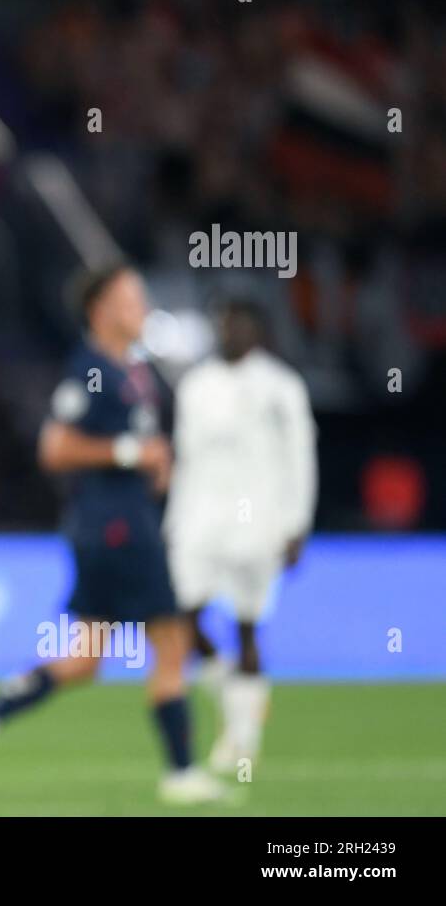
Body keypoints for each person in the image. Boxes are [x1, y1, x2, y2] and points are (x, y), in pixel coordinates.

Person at [0, 264, 227, 805]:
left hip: (120, 523)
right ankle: (181, 773)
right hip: (115, 528)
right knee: (171, 641)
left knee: (86, 658)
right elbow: (54, 448)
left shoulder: (130, 372)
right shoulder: (89, 370)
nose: (141, 308)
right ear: (100, 310)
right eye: (130, 299)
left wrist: (152, 463)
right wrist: (130, 453)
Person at [165, 297, 317, 773]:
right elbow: (184, 459)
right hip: (199, 522)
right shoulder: (195, 385)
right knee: (179, 618)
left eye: (239, 325)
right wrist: (173, 522)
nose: (229, 333)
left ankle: (243, 738)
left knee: (247, 626)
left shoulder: (281, 386)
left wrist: (297, 526)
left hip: (259, 525)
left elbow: (300, 457)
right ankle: (238, 702)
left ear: (259, 332)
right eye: (224, 325)